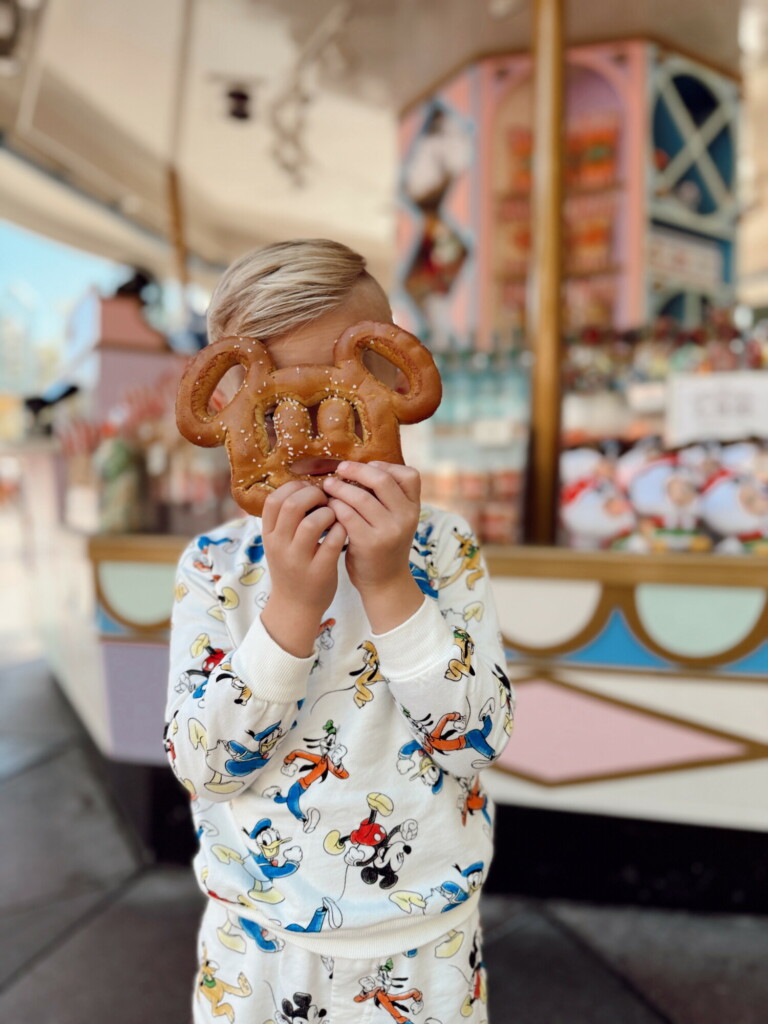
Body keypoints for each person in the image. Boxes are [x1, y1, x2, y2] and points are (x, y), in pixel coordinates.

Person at [165, 238, 514, 1023]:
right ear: (228, 409)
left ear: (396, 380)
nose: (316, 436)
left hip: (427, 941)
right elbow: (203, 765)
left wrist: (390, 584)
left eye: (347, 389)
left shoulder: (444, 547)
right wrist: (288, 606)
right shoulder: (216, 566)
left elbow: (479, 739)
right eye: (279, 407)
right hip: (255, 942)